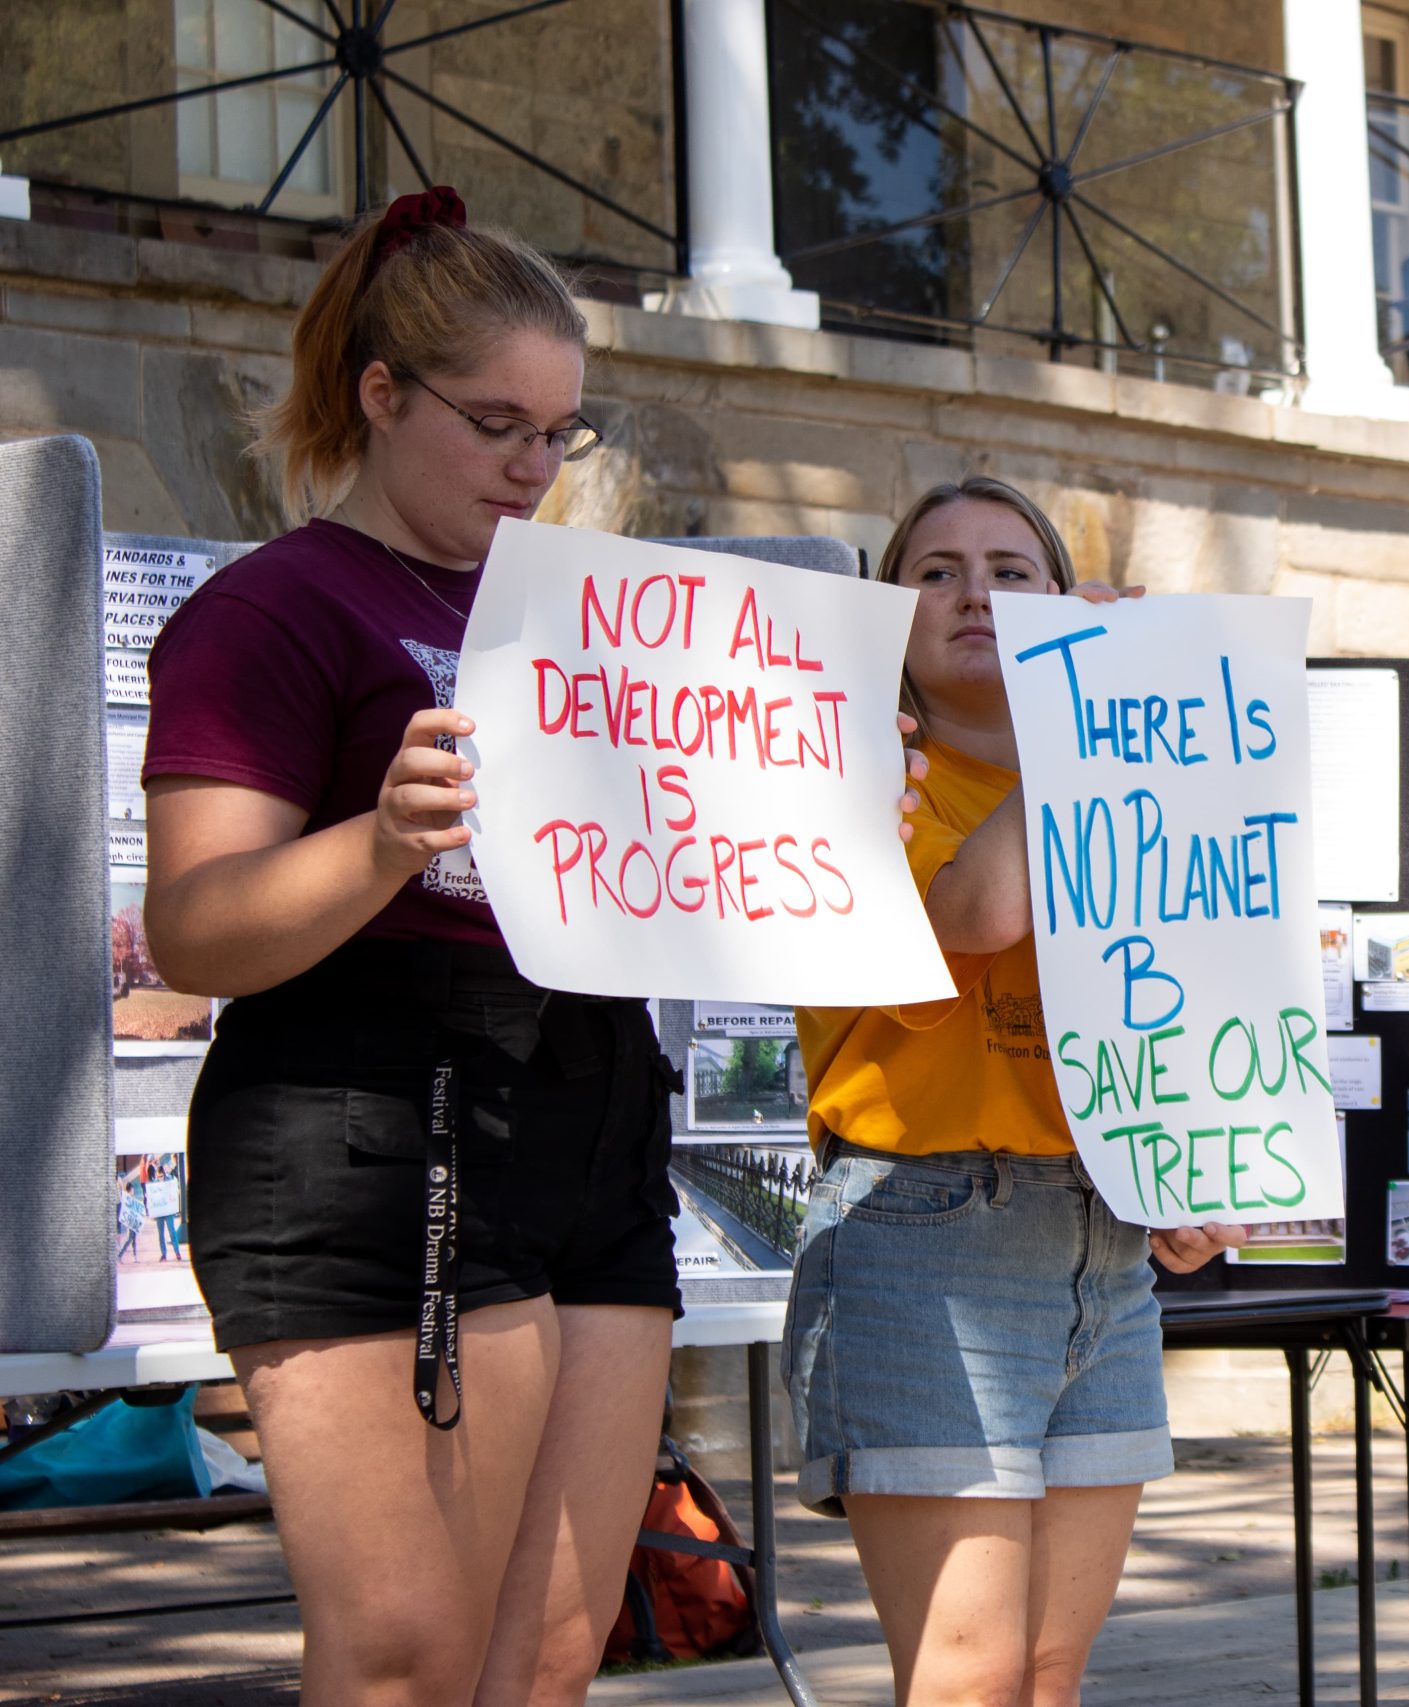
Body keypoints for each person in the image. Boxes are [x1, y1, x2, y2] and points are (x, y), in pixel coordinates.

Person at [139, 187, 926, 1707]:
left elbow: (701, 873)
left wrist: (835, 799)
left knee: (555, 1648)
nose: (532, 464)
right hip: (375, 1116)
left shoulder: (588, 615)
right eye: (496, 422)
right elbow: (195, 926)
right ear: (379, 392)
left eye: (558, 430)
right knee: (406, 1656)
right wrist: (380, 838)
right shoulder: (274, 608)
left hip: (589, 1106)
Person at [787, 476, 1245, 1707]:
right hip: (924, 1231)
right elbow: (981, 913)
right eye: (935, 571)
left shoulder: (1147, 777)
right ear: (890, 616)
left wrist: (1192, 1170)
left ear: (1059, 599)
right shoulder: (858, 776)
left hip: (1101, 1239)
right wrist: (1091, 708)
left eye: (1013, 569)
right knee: (968, 1674)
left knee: (1047, 1673)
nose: (975, 592)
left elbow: (1190, 989)